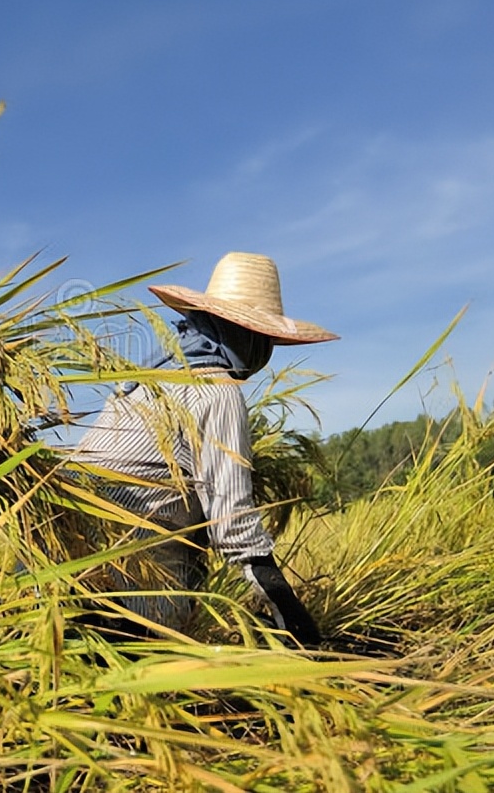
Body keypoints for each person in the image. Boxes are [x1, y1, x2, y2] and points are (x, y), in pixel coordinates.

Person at [72, 251, 336, 646]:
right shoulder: (219, 390)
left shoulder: (144, 379)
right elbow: (233, 526)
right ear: (244, 335)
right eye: (262, 339)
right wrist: (299, 625)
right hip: (127, 580)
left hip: (61, 564)